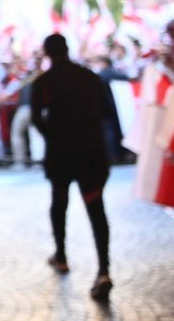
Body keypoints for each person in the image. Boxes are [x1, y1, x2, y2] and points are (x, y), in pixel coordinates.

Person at [32, 33, 114, 301]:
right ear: (67, 49)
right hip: (91, 152)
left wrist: (54, 135)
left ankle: (61, 255)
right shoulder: (90, 78)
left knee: (59, 202)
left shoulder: (44, 82)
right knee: (96, 208)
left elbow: (37, 119)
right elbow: (107, 112)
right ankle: (103, 269)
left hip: (61, 154)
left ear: (47, 53)